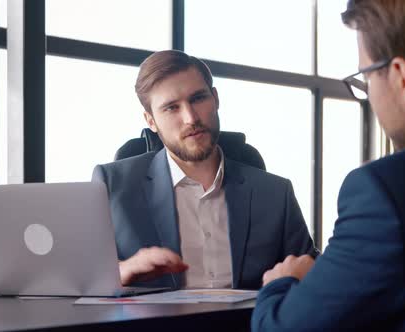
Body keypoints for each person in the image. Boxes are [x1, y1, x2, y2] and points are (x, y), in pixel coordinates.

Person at [252, 0, 405, 331]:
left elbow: (280, 328)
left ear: (402, 78)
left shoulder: (389, 189)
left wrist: (284, 282)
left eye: (365, 77)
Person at [92, 50, 316, 290]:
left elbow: (311, 273)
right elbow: (80, 280)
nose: (190, 118)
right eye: (171, 108)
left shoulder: (275, 193)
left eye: (198, 98)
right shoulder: (112, 185)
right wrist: (122, 272)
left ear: (216, 99)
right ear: (151, 121)